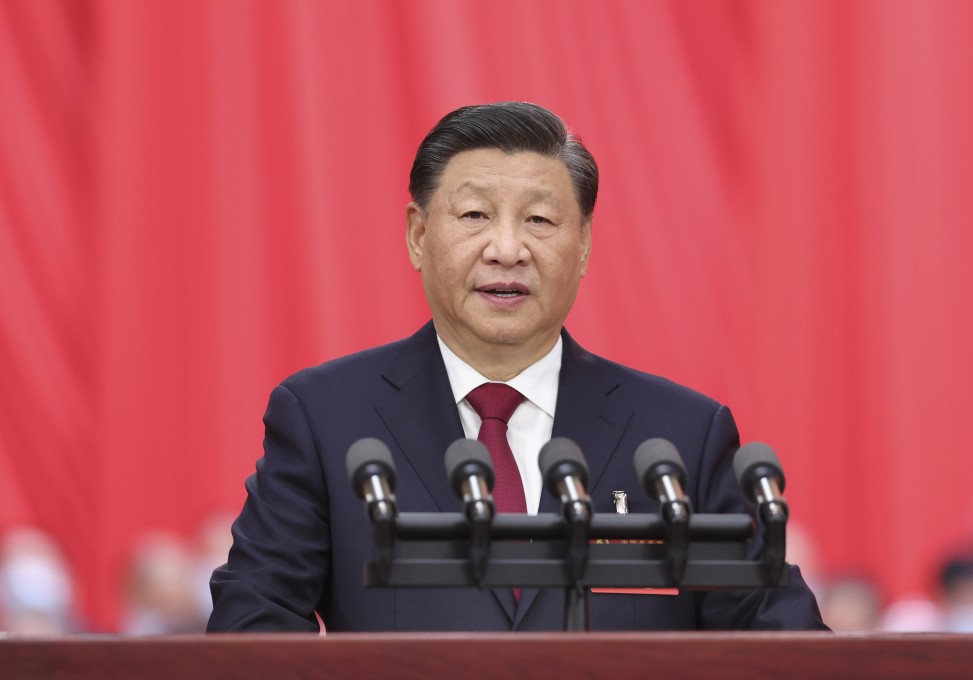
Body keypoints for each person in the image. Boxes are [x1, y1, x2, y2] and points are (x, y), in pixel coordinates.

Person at [208, 102, 826, 632]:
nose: (507, 249)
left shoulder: (682, 436)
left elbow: (781, 640)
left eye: (540, 220)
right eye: (475, 216)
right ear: (419, 235)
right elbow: (252, 629)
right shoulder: (325, 419)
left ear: (582, 245)